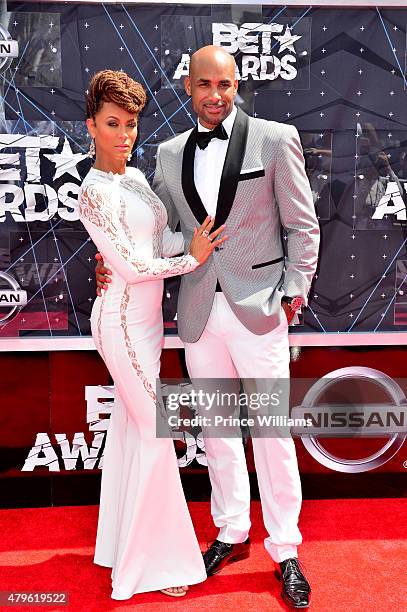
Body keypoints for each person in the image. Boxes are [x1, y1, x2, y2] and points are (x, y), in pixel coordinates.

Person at [97, 46, 320, 609]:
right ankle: (230, 530)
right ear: (190, 87)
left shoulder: (274, 138)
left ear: (237, 83)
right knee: (218, 431)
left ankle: (286, 548)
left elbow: (302, 224)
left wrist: (292, 291)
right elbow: (161, 233)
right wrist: (109, 259)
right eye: (203, 85)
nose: (214, 95)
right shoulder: (169, 154)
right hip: (197, 313)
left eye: (224, 84)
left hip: (258, 309)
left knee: (271, 433)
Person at [79, 69, 227, 600]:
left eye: (131, 124)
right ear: (91, 126)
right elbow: (136, 266)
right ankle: (159, 565)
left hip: (146, 325)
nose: (124, 134)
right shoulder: (91, 193)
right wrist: (193, 258)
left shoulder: (135, 179)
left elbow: (156, 240)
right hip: (120, 323)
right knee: (154, 434)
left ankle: (119, 547)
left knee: (131, 431)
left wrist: (190, 240)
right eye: (113, 124)